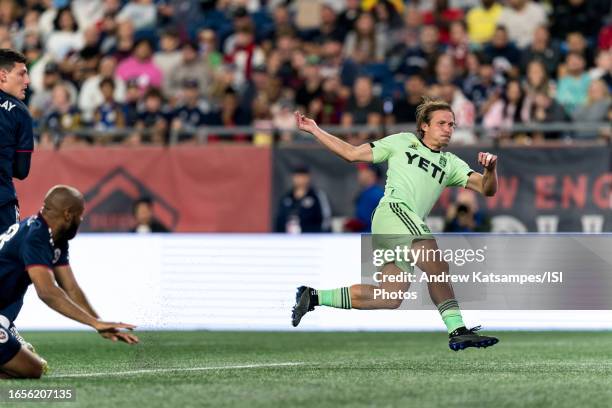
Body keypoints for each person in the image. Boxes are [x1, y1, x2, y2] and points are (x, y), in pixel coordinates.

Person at [291, 98, 500, 350]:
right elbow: (351, 153)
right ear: (424, 126)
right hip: (394, 211)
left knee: (390, 296)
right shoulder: (402, 141)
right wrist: (314, 129)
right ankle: (457, 330)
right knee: (437, 263)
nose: (448, 129)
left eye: (452, 125)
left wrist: (490, 170)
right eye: (442, 123)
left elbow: (487, 189)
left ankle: (313, 296)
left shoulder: (451, 163)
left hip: (399, 225)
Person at [0, 185, 138, 379]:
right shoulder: (36, 237)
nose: (81, 220)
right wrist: (94, 323)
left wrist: (98, 323)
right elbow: (47, 292)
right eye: (80, 215)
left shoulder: (54, 237)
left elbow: (70, 288)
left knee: (28, 368)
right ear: (68, 214)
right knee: (32, 369)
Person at [0, 49, 35, 350]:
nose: (27, 80)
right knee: (16, 263)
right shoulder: (19, 111)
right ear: (3, 75)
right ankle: (3, 325)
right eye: (22, 73)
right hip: (1, 203)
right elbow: (22, 171)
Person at [274, 166, 332, 234]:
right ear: (293, 178)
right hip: (288, 238)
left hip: (312, 238)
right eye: (297, 177)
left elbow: (326, 219)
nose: (300, 180)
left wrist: (319, 234)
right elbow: (279, 219)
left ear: (308, 178)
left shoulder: (317, 196)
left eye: (303, 177)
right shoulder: (286, 198)